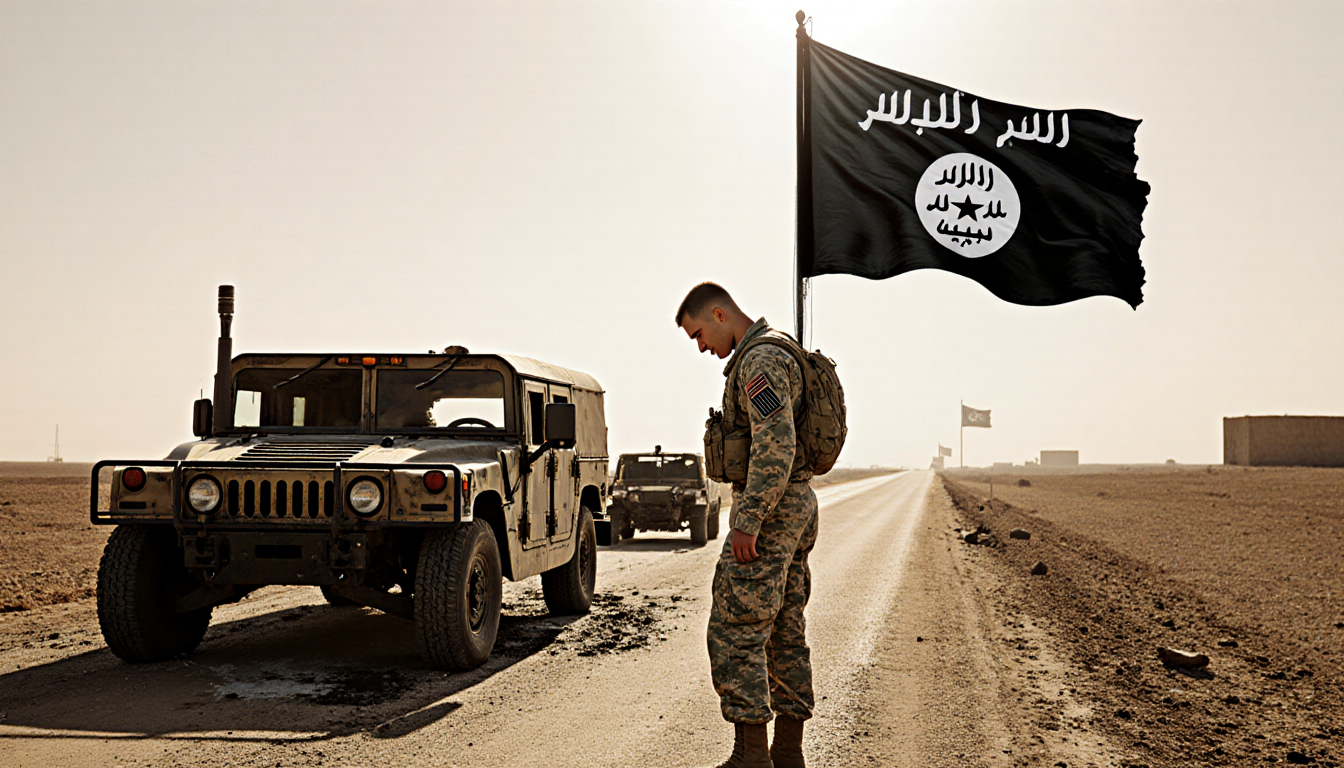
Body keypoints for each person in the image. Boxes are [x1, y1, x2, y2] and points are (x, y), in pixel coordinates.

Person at [676, 282, 818, 768]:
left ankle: (751, 756)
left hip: (773, 510)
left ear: (719, 313)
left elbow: (775, 444)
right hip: (796, 505)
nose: (700, 347)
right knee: (783, 628)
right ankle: (786, 751)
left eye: (699, 333)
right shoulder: (777, 350)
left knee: (735, 626)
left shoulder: (758, 361)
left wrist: (748, 520)